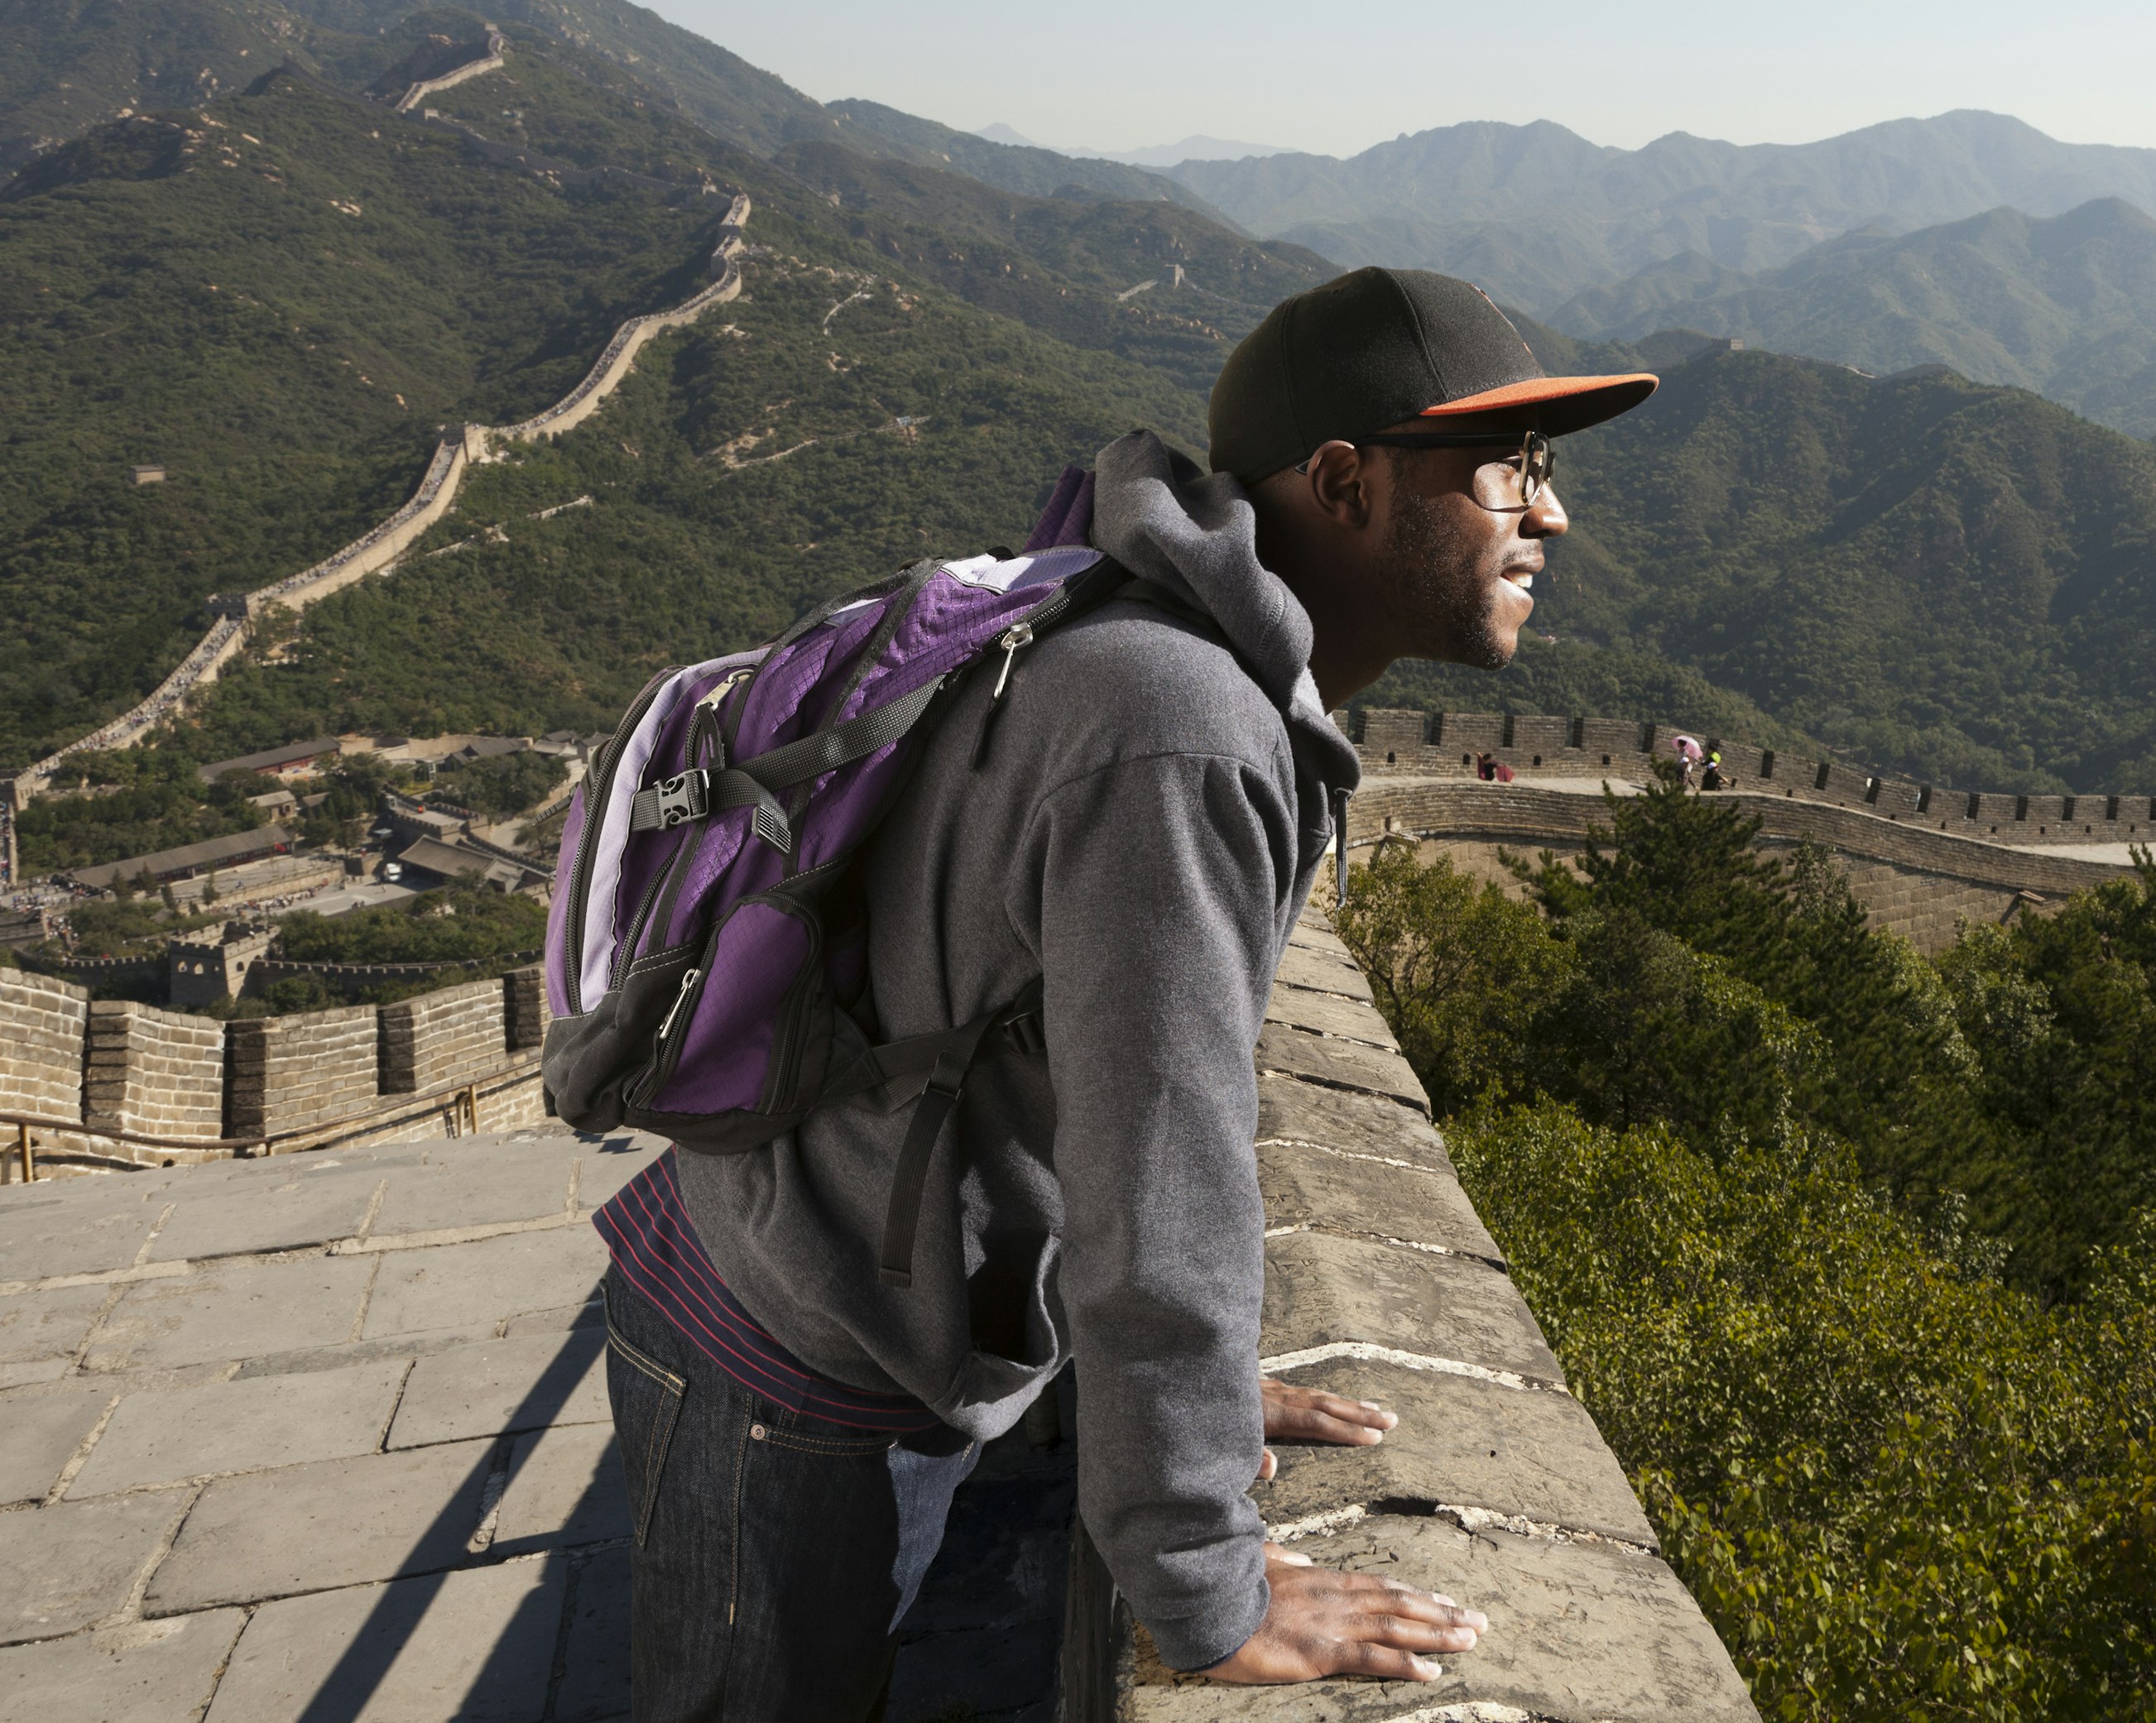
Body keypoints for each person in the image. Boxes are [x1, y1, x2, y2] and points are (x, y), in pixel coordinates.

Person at [598, 267, 1657, 1716]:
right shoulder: (1180, 725)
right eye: (1508, 471)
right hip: (786, 1352)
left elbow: (1041, 1046)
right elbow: (1161, 1160)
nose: (1550, 513)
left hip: (808, 1269)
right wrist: (1204, 1578)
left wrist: (1191, 1409)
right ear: (1345, 482)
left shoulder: (1173, 651)